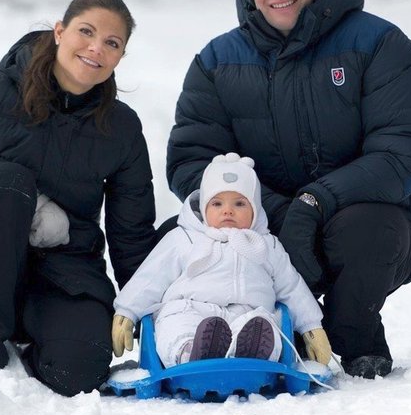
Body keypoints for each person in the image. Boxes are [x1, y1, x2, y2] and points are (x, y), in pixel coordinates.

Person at [166, 0, 411, 379]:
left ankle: (351, 329)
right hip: (263, 220)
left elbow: (403, 149)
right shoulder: (216, 61)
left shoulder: (378, 43)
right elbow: (193, 161)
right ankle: (228, 336)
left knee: (367, 231)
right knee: (184, 246)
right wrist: (267, 208)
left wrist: (315, 203)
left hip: (364, 214)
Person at [0, 0, 157, 396]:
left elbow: (130, 236)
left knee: (79, 372)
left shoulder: (122, 128)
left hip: (63, 271)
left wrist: (152, 315)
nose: (96, 48)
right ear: (60, 32)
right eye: (86, 31)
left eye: (112, 43)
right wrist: (28, 212)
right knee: (10, 180)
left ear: (120, 57)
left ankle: (34, 337)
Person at [110, 153, 332, 368]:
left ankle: (253, 351)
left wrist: (311, 326)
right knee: (175, 324)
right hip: (190, 308)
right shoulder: (183, 238)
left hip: (249, 312)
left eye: (239, 204)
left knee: (267, 326)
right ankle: (190, 352)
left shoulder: (265, 245)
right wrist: (127, 311)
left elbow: (291, 287)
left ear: (255, 209)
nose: (228, 211)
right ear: (204, 207)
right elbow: (151, 277)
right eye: (217, 204)